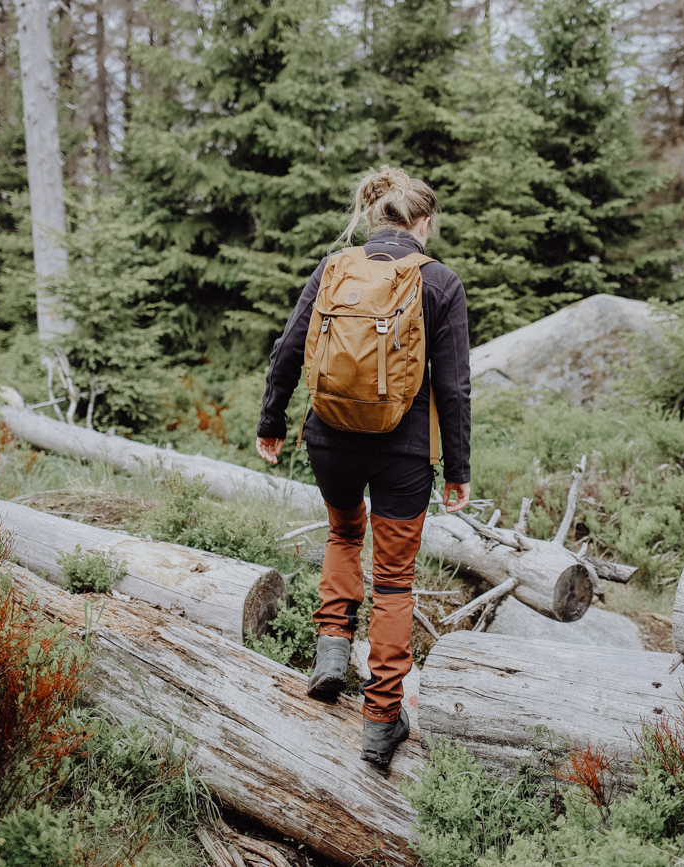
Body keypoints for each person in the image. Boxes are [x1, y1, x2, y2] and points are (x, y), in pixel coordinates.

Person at [255, 166, 471, 767]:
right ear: (424, 222)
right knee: (395, 580)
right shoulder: (441, 282)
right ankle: (381, 722)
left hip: (330, 440)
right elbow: (453, 388)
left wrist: (271, 424)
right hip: (403, 453)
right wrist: (459, 469)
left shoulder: (335, 267)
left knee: (345, 533)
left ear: (378, 216)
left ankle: (330, 652)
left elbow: (289, 348)